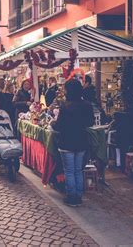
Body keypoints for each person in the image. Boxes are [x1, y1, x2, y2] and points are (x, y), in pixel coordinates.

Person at [52, 79, 94, 207]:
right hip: (81, 141)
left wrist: (53, 123)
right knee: (78, 170)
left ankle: (72, 197)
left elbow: (59, 125)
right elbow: (90, 122)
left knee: (69, 171)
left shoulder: (65, 106)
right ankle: (79, 196)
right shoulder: (87, 105)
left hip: (67, 142)